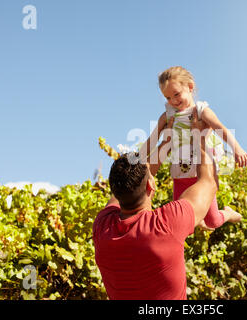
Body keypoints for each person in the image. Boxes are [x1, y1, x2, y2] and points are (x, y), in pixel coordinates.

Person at [93, 110, 218, 300]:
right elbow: (208, 182)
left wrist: (167, 142)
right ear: (151, 185)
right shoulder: (166, 224)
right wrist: (199, 137)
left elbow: (128, 184)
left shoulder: (102, 227)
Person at [140, 66, 247, 230]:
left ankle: (228, 213)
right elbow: (153, 139)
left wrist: (237, 149)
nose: (173, 101)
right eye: (168, 97)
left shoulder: (201, 110)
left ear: (190, 87)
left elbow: (221, 128)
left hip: (202, 173)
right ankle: (198, 221)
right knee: (180, 222)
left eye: (176, 94)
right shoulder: (168, 116)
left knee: (214, 222)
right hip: (180, 173)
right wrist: (137, 159)